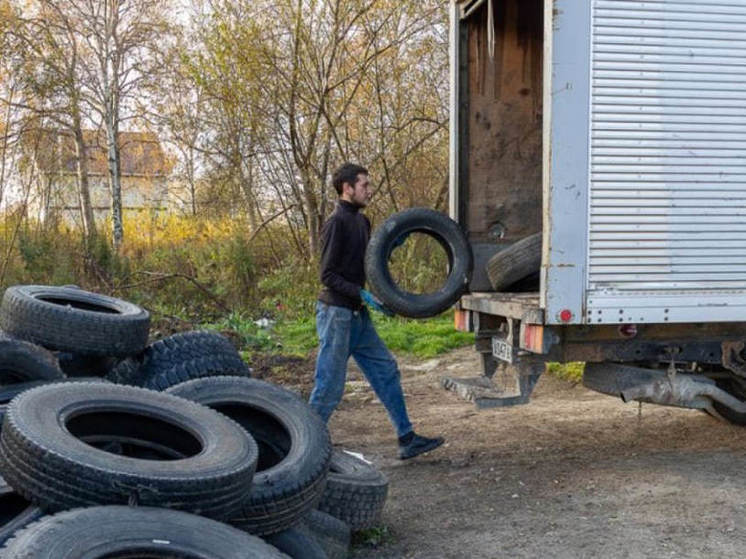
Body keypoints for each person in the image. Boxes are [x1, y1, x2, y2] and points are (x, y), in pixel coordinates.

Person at [309, 162, 444, 460]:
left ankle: (407, 438)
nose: (370, 190)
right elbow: (327, 275)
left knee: (386, 371)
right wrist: (362, 294)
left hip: (357, 316)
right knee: (329, 386)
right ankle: (302, 447)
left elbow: (369, 261)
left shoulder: (362, 222)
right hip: (336, 315)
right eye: (364, 185)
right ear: (347, 188)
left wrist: (390, 245)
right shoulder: (336, 223)